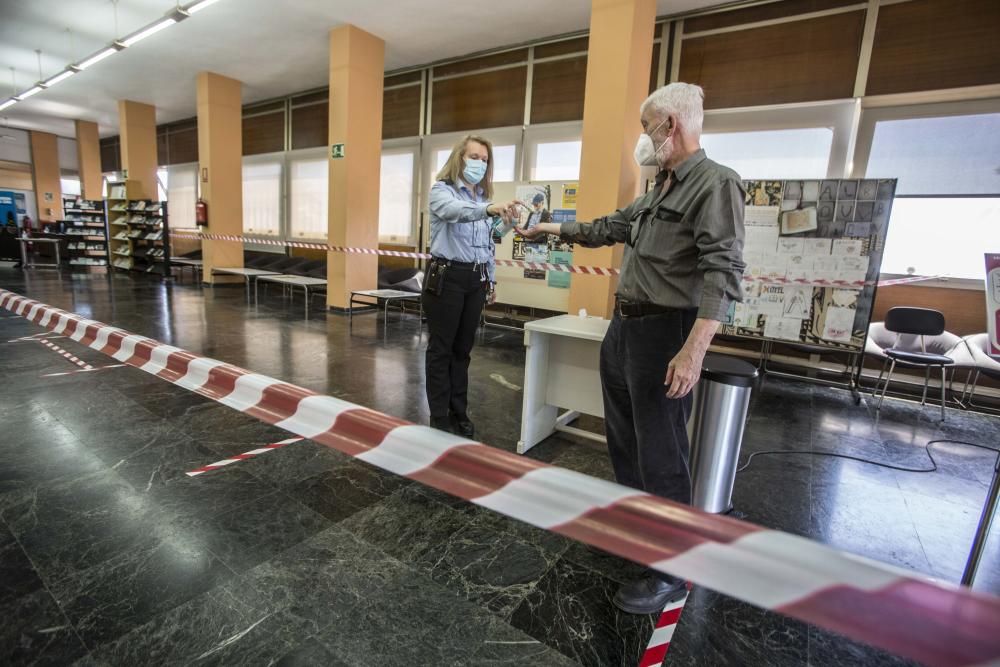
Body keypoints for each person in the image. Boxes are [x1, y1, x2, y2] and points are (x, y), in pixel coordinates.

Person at [517, 82, 745, 614]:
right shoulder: (660, 187)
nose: (643, 139)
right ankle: (638, 531)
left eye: (647, 128)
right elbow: (609, 227)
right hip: (625, 328)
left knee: (662, 451)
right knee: (624, 439)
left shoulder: (716, 185)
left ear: (671, 126)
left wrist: (694, 351)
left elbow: (724, 273)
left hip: (667, 332)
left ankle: (670, 568)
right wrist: (544, 226)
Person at [425, 135, 519, 438]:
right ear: (459, 157)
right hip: (446, 277)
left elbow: (488, 241)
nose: (480, 163)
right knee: (442, 349)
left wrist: (507, 221)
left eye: (485, 159)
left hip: (475, 279)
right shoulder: (442, 191)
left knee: (463, 351)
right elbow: (456, 213)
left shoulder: (482, 198)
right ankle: (439, 414)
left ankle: (458, 410)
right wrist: (491, 209)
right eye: (475, 157)